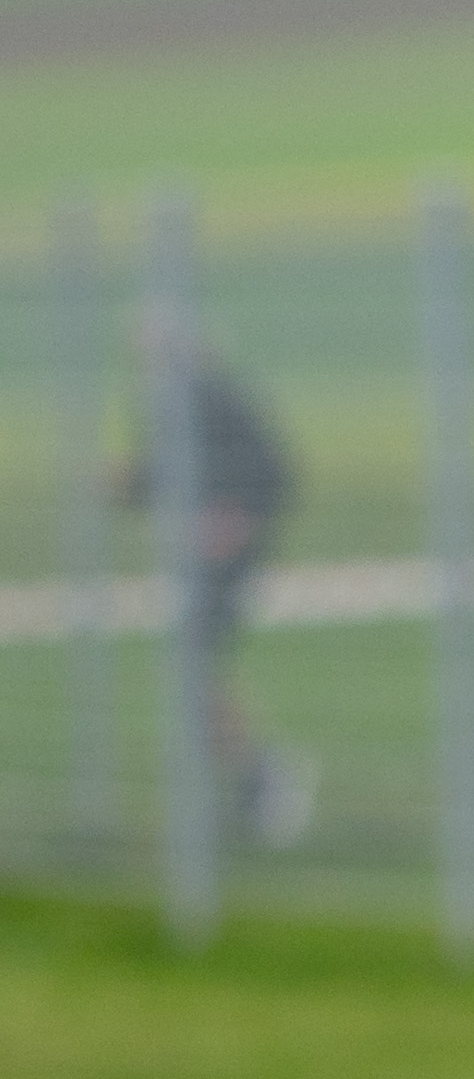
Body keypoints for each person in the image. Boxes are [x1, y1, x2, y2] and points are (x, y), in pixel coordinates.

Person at [120, 330, 308, 851]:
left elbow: (270, 470)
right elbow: (172, 472)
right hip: (204, 553)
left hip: (225, 554)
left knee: (195, 668)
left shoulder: (212, 396)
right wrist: (130, 484)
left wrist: (231, 519)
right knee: (194, 672)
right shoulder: (171, 401)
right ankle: (249, 781)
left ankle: (264, 780)